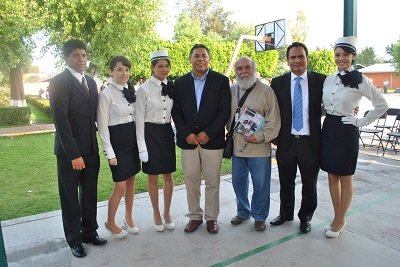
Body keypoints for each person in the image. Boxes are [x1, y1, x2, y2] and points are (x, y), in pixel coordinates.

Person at [320, 36, 388, 238]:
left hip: (347, 128)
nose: (341, 58)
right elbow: (326, 105)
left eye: (345, 55)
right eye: (338, 55)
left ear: (353, 56)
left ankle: (341, 218)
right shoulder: (329, 79)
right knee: (331, 174)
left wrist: (361, 122)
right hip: (329, 127)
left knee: (345, 175)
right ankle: (336, 216)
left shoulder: (361, 79)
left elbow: (381, 105)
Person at [48, 39, 107, 258]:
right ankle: (74, 239)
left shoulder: (91, 83)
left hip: (91, 150)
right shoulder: (58, 83)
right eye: (76, 55)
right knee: (70, 197)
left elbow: (94, 118)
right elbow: (61, 122)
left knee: (90, 193)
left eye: (84, 55)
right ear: (66, 58)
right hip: (69, 153)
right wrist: (74, 154)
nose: (81, 59)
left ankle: (90, 232)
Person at [172, 44, 231, 234]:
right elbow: (177, 111)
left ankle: (212, 218)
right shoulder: (180, 83)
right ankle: (195, 216)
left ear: (209, 59)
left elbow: (224, 110)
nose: (200, 59)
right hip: (188, 142)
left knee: (213, 181)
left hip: (212, 141)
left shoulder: (221, 81)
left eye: (204, 56)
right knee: (191, 180)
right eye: (196, 56)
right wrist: (186, 133)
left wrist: (209, 132)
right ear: (190, 59)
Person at [269, 42, 326, 233]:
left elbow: (334, 100)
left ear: (307, 59)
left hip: (310, 143)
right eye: (293, 57)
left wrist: (351, 105)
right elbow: (272, 111)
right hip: (286, 142)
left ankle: (306, 217)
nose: (297, 60)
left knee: (309, 184)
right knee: (286, 182)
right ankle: (286, 214)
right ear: (287, 61)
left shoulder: (321, 81)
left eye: (301, 56)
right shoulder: (277, 83)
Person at [228, 56, 281, 232]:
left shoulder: (267, 92)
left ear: (253, 69)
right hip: (238, 148)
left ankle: (259, 216)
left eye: (247, 68)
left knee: (260, 185)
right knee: (238, 183)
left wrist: (258, 137)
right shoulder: (231, 90)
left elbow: (274, 122)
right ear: (235, 72)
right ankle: (243, 212)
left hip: (259, 149)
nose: (243, 72)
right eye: (240, 69)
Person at [97, 56, 141, 239]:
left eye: (127, 70)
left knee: (131, 182)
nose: (124, 73)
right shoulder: (106, 94)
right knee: (120, 186)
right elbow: (102, 125)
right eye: (120, 69)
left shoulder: (131, 90)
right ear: (111, 71)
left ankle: (128, 218)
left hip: (132, 142)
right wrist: (109, 152)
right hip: (117, 144)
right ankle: (110, 222)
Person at [135, 49, 176, 232]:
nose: (164, 69)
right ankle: (156, 213)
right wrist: (141, 145)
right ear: (152, 68)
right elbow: (138, 119)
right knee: (153, 175)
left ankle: (167, 212)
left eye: (166, 66)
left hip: (166, 132)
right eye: (160, 66)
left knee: (168, 174)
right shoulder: (143, 89)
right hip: (150, 133)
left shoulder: (172, 86)